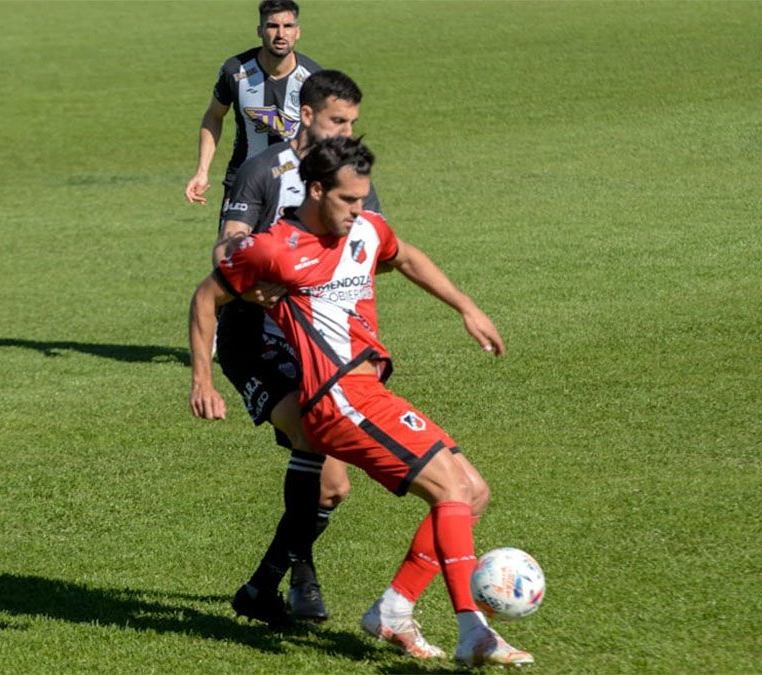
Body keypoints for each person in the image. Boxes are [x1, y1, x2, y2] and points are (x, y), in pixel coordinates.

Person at [188, 136, 533, 666]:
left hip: (370, 391)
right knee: (450, 490)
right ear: (318, 189)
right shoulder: (275, 248)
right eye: (349, 200)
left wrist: (467, 307)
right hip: (337, 399)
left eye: (364, 198)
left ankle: (393, 612)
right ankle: (474, 632)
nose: (360, 210)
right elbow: (208, 296)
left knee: (473, 492)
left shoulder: (368, 229)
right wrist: (203, 380)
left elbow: (408, 258)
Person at [208, 70, 378, 627]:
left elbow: (365, 251)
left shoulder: (349, 175)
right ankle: (285, 581)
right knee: (315, 451)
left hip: (319, 342)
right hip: (253, 336)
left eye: (352, 122)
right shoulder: (264, 170)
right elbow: (227, 246)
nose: (346, 131)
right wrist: (257, 278)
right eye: (337, 120)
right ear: (306, 117)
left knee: (334, 487)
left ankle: (274, 581)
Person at [184, 0, 319, 212]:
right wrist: (202, 171)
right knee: (230, 245)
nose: (281, 34)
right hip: (243, 179)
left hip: (295, 184)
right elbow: (214, 115)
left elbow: (326, 132)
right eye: (272, 26)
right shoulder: (234, 71)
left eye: (288, 26)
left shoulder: (313, 78)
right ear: (260, 31)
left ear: (298, 32)